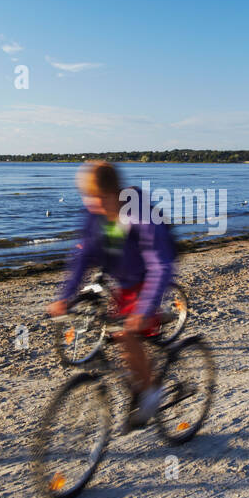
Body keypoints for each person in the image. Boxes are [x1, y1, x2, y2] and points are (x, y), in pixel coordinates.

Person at [48, 161, 176, 430]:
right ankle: (149, 342)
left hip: (146, 277)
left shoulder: (138, 213)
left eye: (94, 197)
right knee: (114, 333)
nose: (89, 204)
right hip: (122, 279)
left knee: (125, 333)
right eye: (86, 196)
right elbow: (82, 255)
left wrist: (144, 309)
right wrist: (65, 297)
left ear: (112, 193)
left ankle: (152, 391)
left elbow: (160, 265)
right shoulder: (94, 211)